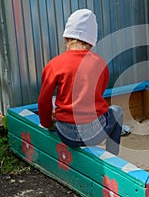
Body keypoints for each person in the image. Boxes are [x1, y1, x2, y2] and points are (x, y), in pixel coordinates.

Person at [38, 9, 123, 155]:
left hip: (66, 133)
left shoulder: (54, 64)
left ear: (66, 38)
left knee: (54, 104)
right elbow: (98, 96)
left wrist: (47, 123)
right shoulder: (100, 64)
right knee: (117, 111)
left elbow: (43, 101)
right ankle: (112, 157)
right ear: (91, 42)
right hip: (94, 134)